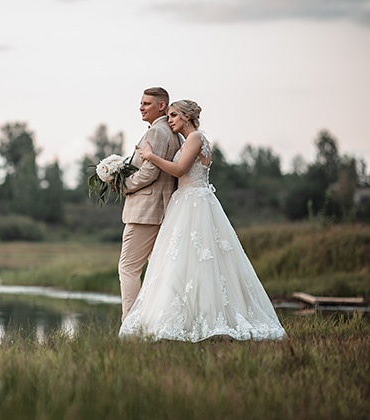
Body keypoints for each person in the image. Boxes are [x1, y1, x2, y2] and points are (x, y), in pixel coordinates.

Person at [119, 100, 287, 342]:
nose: (171, 120)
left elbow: (178, 170)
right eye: (168, 116)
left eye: (174, 115)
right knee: (186, 262)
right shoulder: (190, 140)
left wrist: (150, 156)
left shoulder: (196, 137)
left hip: (193, 203)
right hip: (189, 200)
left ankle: (202, 318)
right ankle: (186, 315)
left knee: (195, 260)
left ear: (187, 116)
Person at [118, 87, 181, 322]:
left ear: (162, 106)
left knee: (128, 268)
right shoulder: (172, 132)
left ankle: (131, 323)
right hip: (161, 209)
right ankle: (161, 321)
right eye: (141, 103)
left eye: (146, 103)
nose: (141, 107)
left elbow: (149, 173)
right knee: (158, 271)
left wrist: (123, 185)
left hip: (146, 211)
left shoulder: (157, 132)